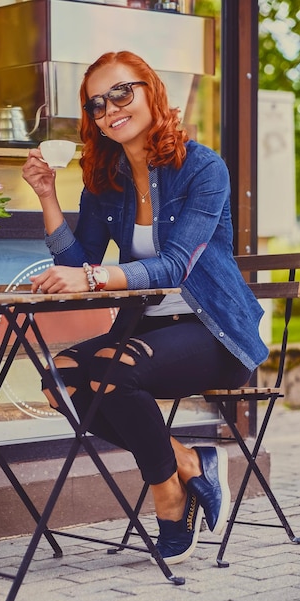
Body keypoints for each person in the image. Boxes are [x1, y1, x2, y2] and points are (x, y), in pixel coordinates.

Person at [22, 50, 269, 564]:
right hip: (148, 330)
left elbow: (176, 265)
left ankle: (168, 495)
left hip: (214, 330)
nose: (110, 108)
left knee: (113, 370)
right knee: (60, 381)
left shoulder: (203, 168)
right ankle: (186, 461)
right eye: (96, 104)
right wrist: (47, 196)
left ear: (150, 91)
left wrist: (89, 275)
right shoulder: (104, 176)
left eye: (121, 92)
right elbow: (82, 261)